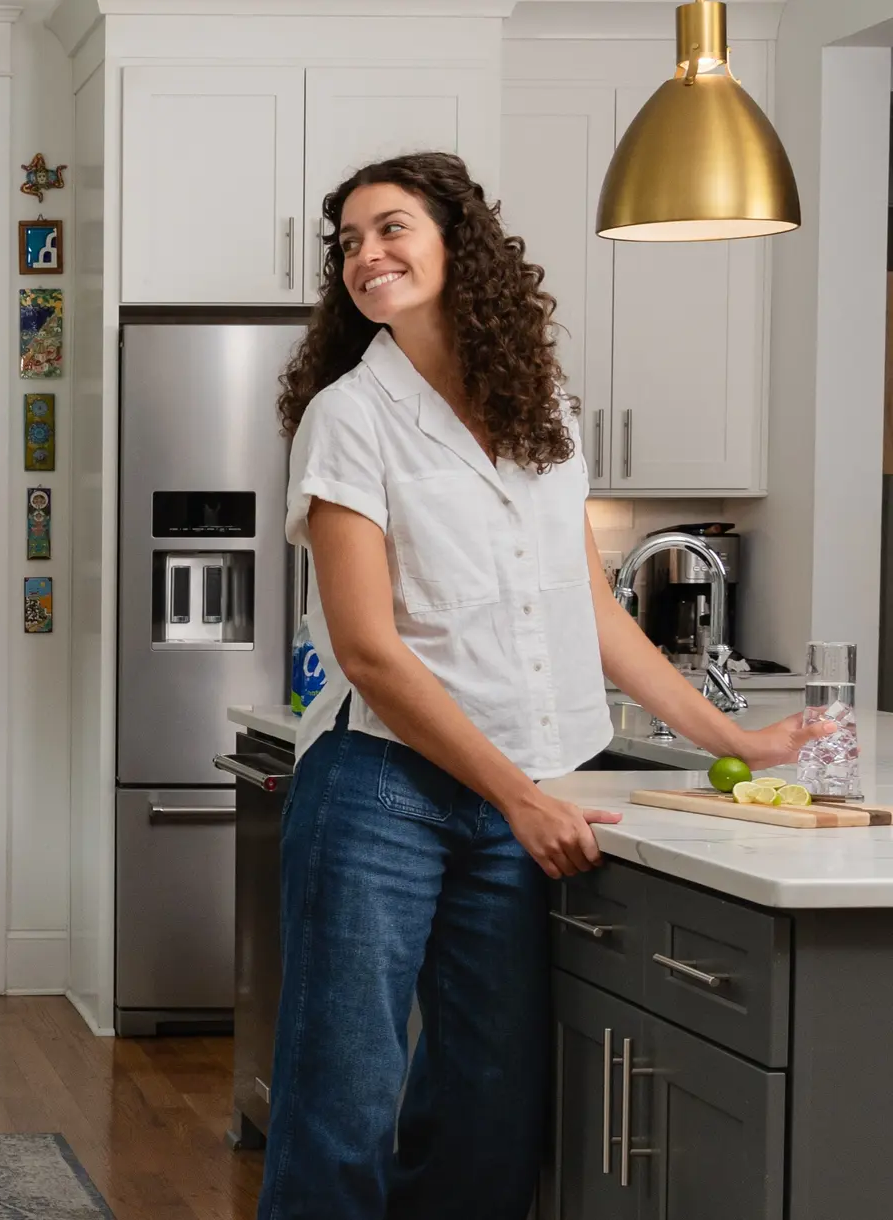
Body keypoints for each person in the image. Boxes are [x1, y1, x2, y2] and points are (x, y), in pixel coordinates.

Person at [259, 151, 831, 1219]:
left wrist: (734, 739)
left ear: (454, 242)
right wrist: (519, 795)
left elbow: (591, 607)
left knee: (487, 1100)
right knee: (341, 1096)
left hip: (519, 790)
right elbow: (369, 651)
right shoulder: (348, 416)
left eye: (388, 229)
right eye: (345, 243)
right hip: (379, 788)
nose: (363, 255)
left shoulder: (542, 408)